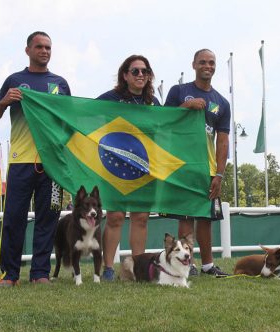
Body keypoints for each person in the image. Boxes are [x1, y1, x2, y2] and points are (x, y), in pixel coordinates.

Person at [0, 31, 71, 286]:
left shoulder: (60, 83)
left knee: (49, 218)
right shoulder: (15, 80)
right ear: (28, 50)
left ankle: (40, 273)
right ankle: (10, 274)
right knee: (14, 217)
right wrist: (4, 101)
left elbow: (70, 121)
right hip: (20, 161)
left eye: (48, 47)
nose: (44, 51)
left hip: (53, 165)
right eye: (39, 47)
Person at [163, 49, 230, 276]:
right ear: (194, 65)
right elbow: (163, 122)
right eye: (202, 62)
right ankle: (187, 264)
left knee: (206, 217)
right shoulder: (179, 91)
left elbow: (222, 141)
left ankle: (208, 265)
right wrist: (186, 107)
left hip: (207, 168)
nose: (207, 66)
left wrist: (219, 174)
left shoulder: (222, 102)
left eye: (211, 62)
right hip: (182, 165)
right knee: (185, 215)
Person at [96, 55, 160, 281]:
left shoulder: (153, 103)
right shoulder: (111, 99)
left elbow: (164, 131)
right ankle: (108, 268)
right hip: (115, 168)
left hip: (144, 170)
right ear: (125, 75)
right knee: (115, 217)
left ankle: (138, 267)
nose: (141, 75)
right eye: (135, 71)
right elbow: (84, 113)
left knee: (141, 217)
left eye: (145, 71)